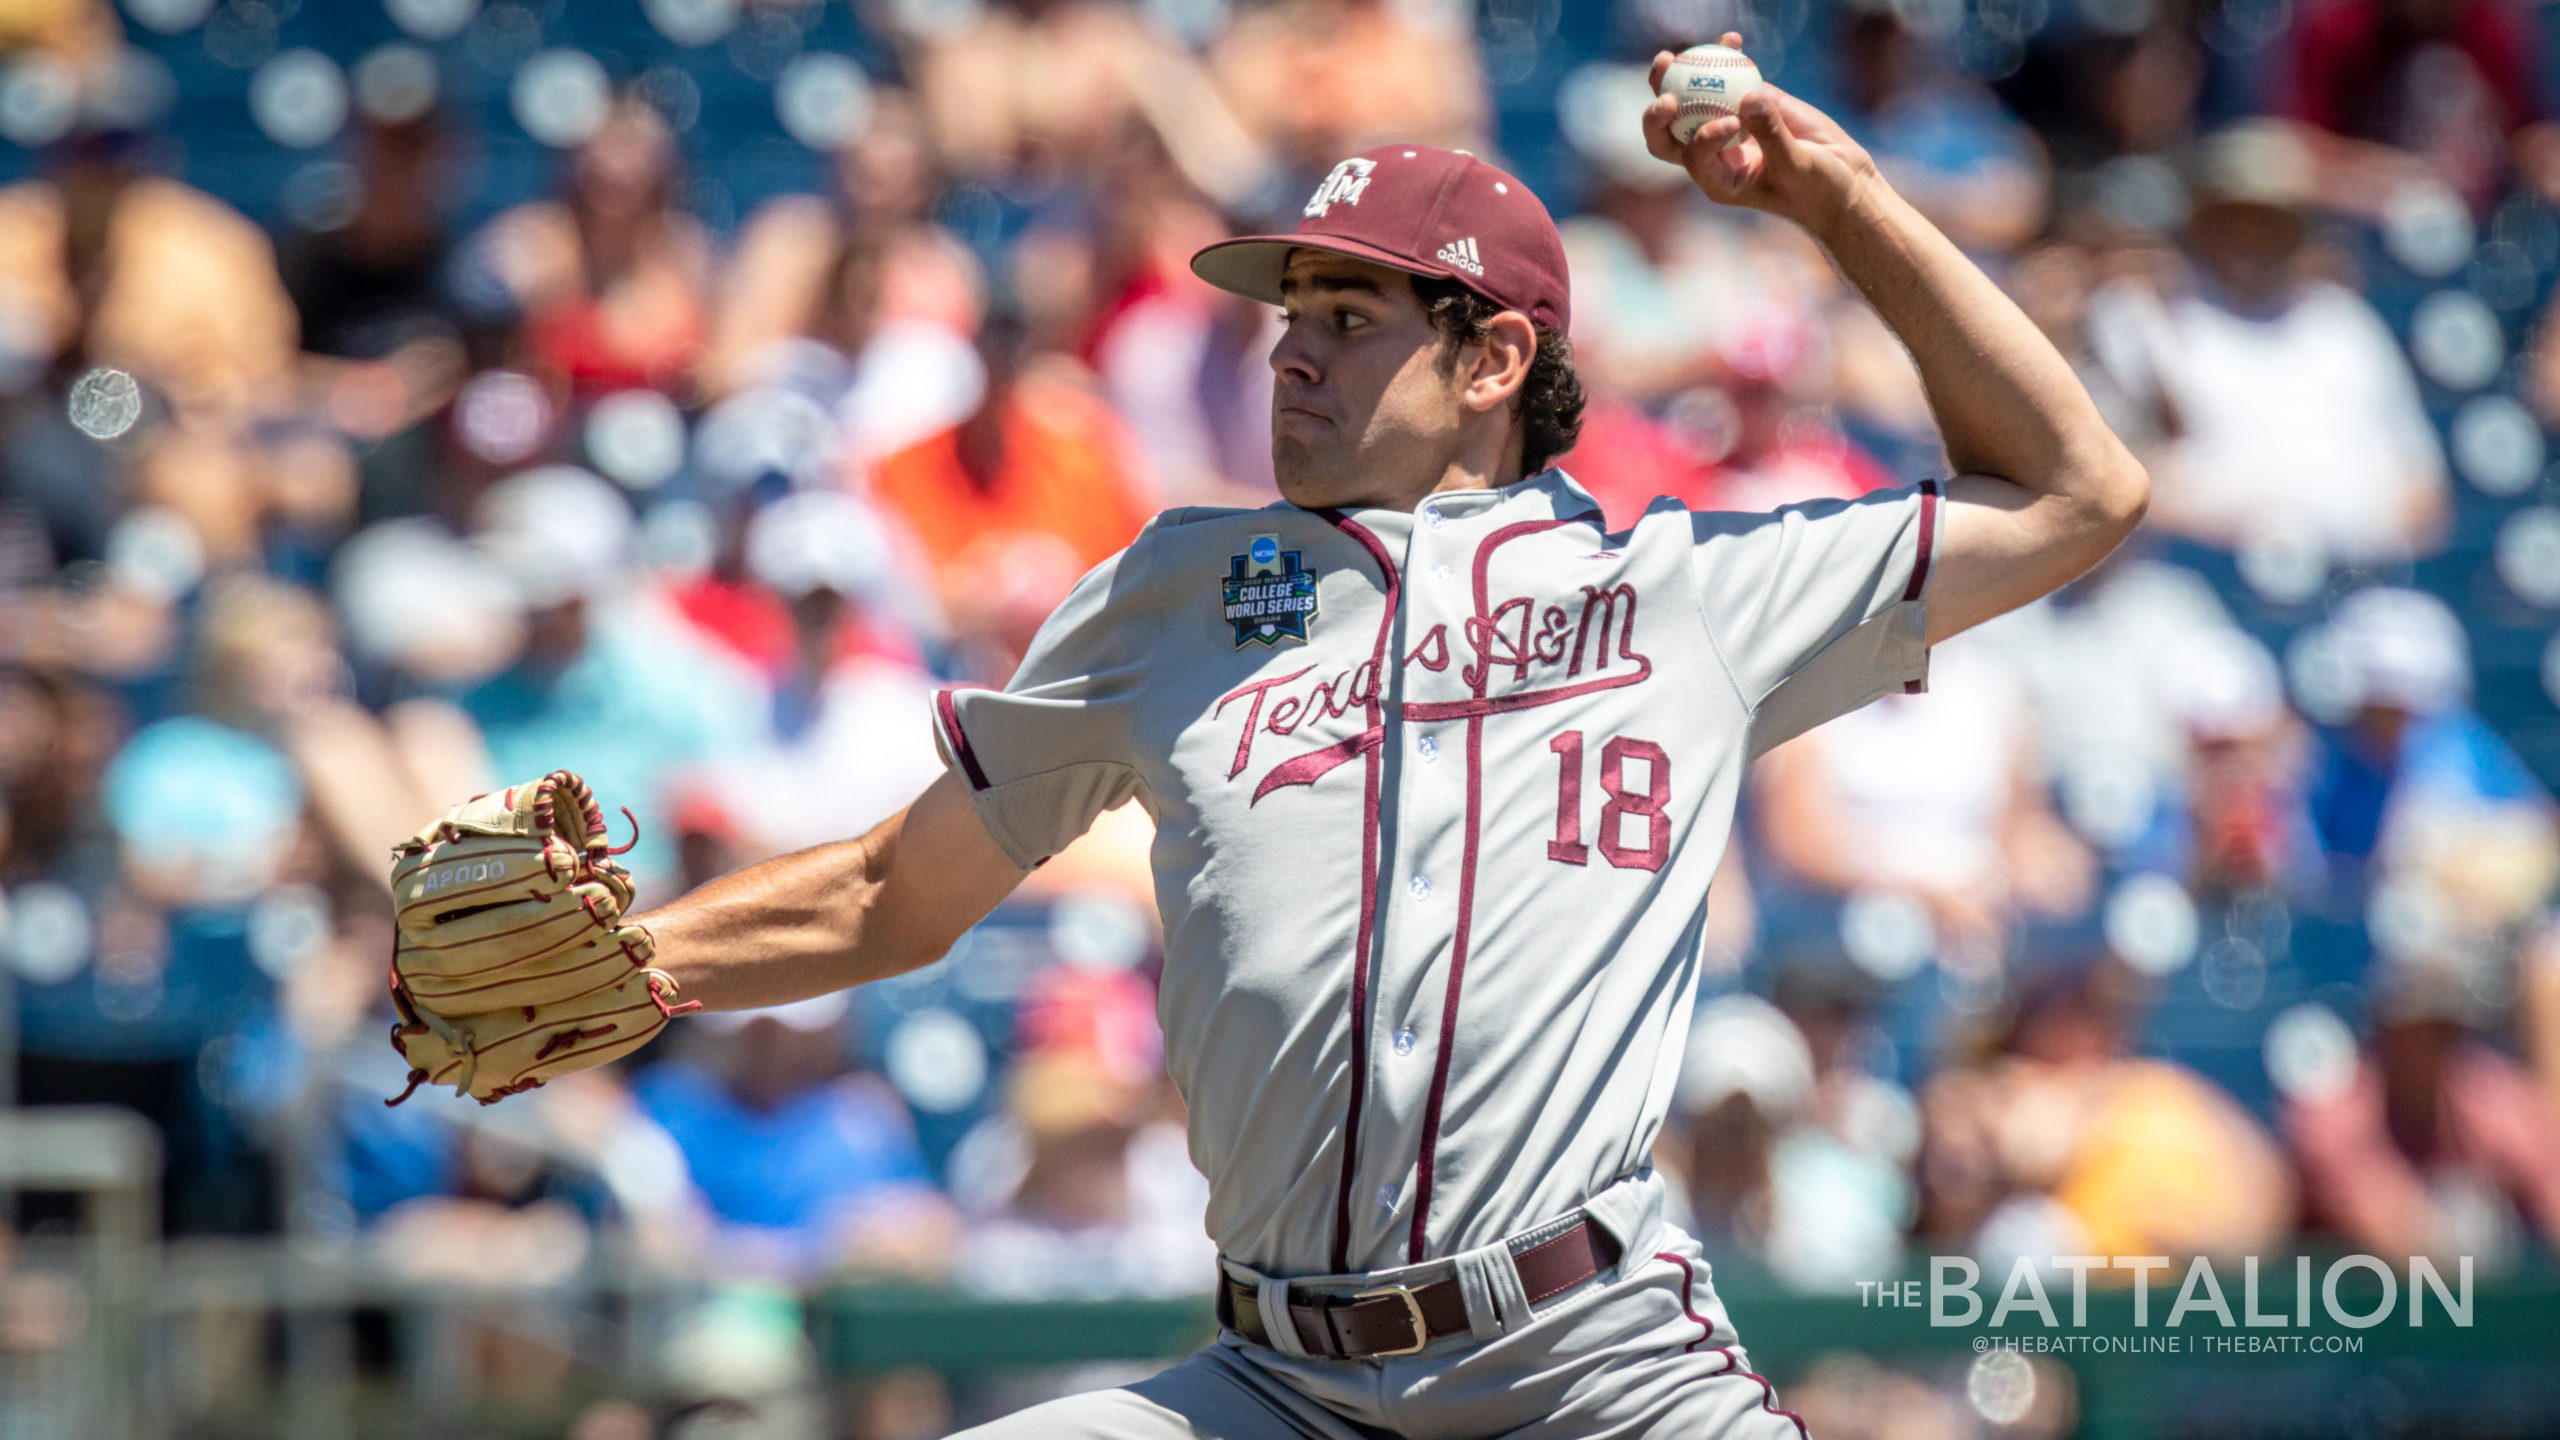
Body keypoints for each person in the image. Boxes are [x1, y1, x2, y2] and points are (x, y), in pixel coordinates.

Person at [422, 34, 2148, 1437]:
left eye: (1348, 318)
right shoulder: (1173, 591)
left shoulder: (1680, 597)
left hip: (1592, 1369)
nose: (1289, 353)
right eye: (1287, 313)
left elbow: (2081, 490)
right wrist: (643, 961)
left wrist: (1838, 199)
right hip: (1273, 1381)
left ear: (1494, 360)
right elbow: (898, 888)